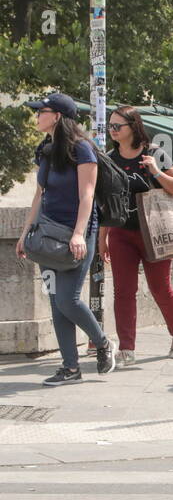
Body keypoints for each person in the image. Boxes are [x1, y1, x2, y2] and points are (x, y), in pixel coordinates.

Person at [17, 93, 115, 384]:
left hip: (76, 234)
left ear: (58, 116)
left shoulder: (83, 149)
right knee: (55, 301)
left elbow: (87, 196)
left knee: (68, 301)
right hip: (47, 235)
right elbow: (39, 195)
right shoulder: (46, 149)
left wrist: (78, 234)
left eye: (41, 112)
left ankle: (103, 343)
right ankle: (70, 368)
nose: (37, 116)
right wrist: (24, 234)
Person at [101, 104, 173, 364]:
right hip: (121, 232)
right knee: (123, 291)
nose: (113, 130)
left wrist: (156, 171)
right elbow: (106, 202)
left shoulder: (154, 154)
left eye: (118, 126)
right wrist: (102, 238)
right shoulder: (109, 158)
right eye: (111, 126)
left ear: (133, 126)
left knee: (160, 287)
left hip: (155, 231)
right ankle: (126, 348)